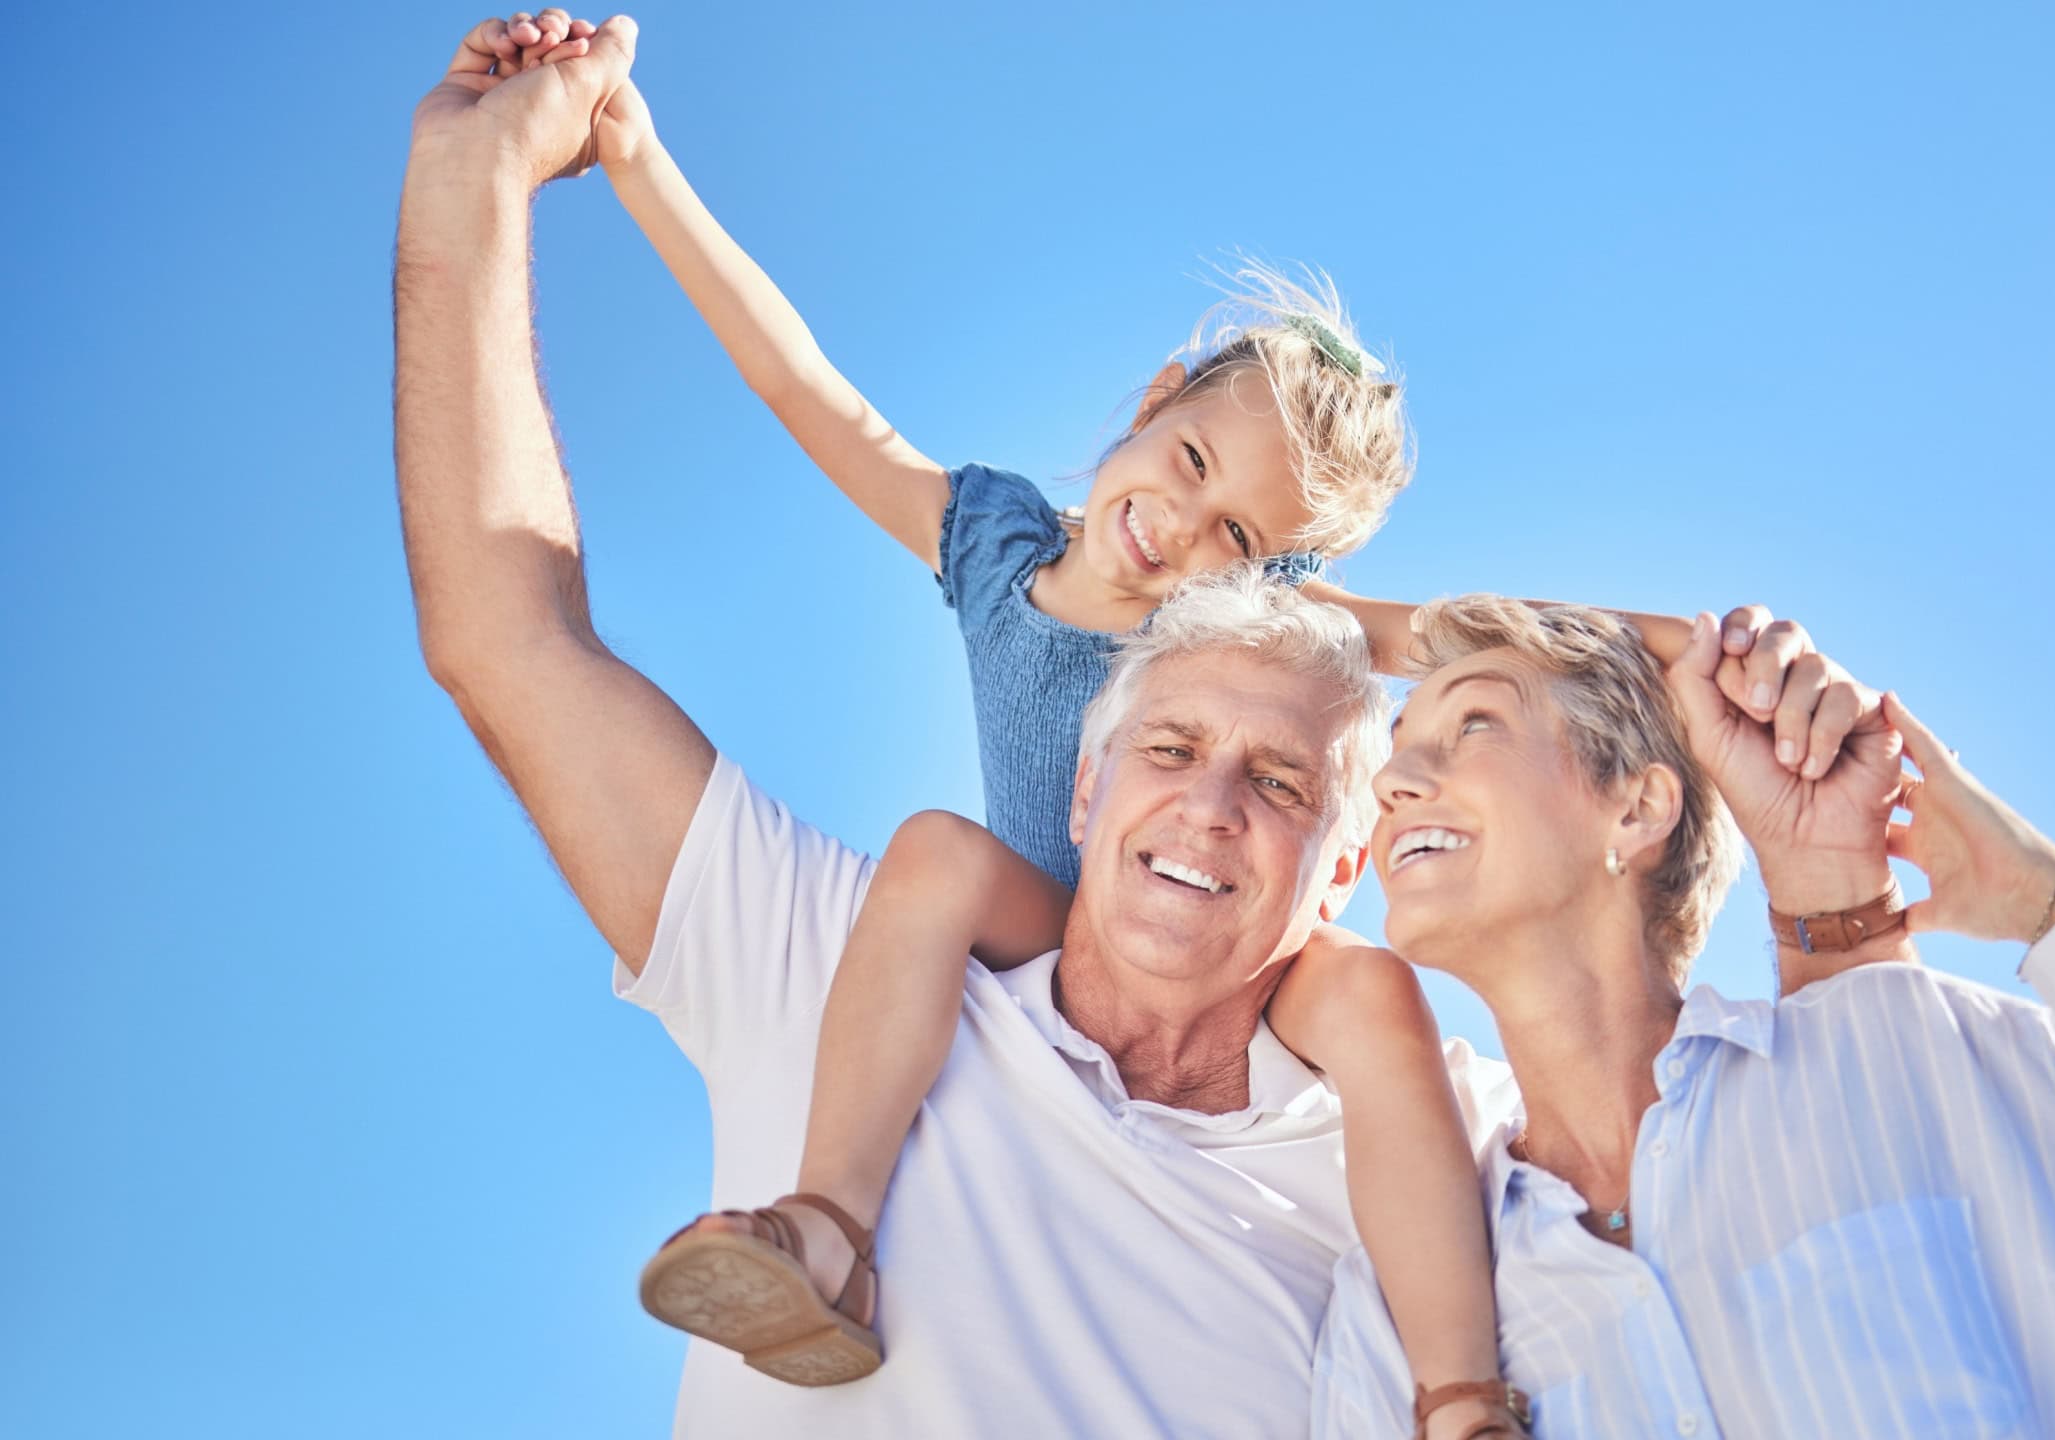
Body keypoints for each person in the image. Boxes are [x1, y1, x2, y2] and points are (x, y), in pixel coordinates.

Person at [397, 21, 1876, 1436]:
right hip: (1044, 927)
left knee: (1369, 1002)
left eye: (1241, 539)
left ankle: (1459, 1397)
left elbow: (1484, 635)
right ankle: (829, 1225)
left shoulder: (1257, 640)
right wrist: (629, 156)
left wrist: (1698, 652)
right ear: (1157, 398)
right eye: (1185, 462)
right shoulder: (988, 548)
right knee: (935, 859)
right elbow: (802, 390)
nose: (1180, 535)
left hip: (1246, 983)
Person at [1310, 596, 2055, 1437]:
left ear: (1638, 810)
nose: (1395, 778)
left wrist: (2048, 902)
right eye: (1398, 750)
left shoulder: (1932, 1067)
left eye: (1468, 726)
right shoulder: (1416, 1291)